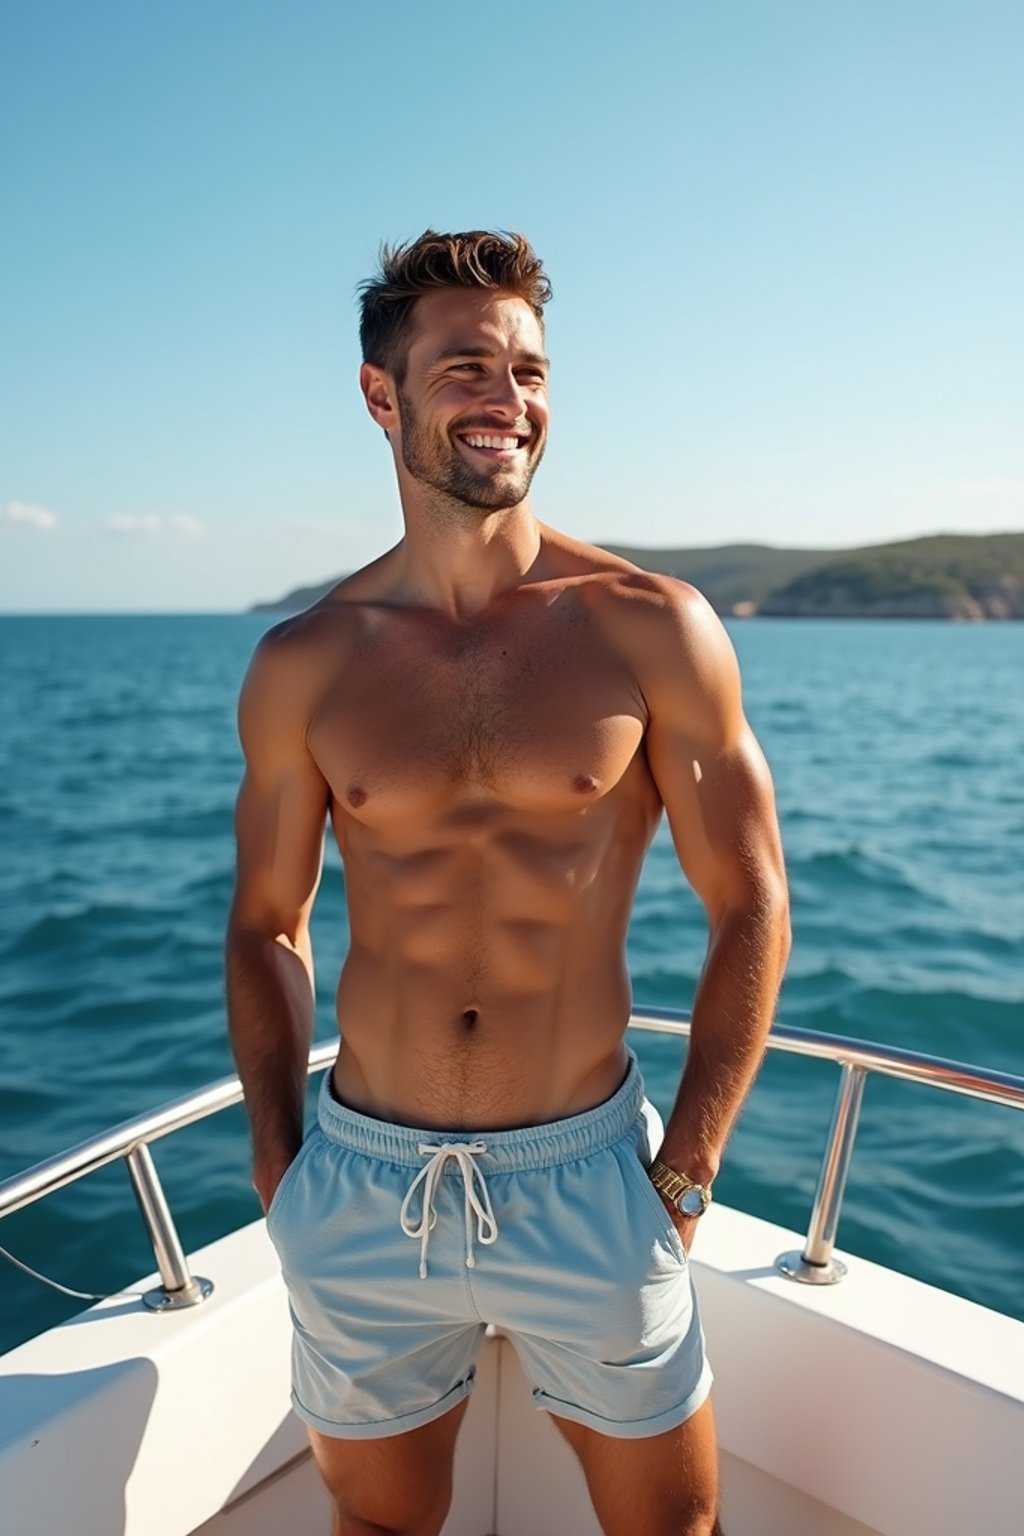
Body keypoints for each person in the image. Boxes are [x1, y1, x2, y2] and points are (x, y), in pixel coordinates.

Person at [226, 229, 790, 1536]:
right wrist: (280, 1164)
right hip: (363, 1182)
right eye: (466, 366)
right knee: (378, 1527)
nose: (508, 400)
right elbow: (267, 921)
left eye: (530, 370)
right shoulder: (307, 660)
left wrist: (689, 1172)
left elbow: (751, 900)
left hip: (590, 1177)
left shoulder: (652, 625)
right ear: (383, 396)